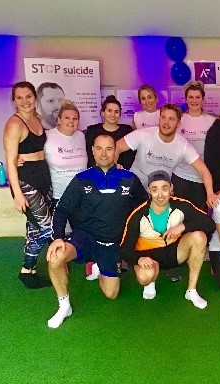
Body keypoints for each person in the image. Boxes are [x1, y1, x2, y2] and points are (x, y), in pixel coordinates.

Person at [46, 135, 148, 328]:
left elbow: (143, 206)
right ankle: (64, 305)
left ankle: (98, 266)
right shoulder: (82, 179)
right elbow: (61, 209)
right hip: (85, 237)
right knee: (55, 257)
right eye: (99, 148)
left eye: (109, 149)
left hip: (111, 244)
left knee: (111, 294)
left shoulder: (128, 178)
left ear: (115, 152)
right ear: (92, 150)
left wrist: (136, 234)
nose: (103, 153)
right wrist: (58, 238)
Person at [119, 170, 215, 307]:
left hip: (175, 253)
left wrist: (182, 227)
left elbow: (209, 223)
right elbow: (124, 249)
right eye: (155, 189)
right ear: (149, 191)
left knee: (199, 237)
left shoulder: (181, 205)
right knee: (144, 277)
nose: (160, 195)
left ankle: (191, 290)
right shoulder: (138, 215)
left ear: (171, 189)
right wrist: (138, 259)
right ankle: (151, 282)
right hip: (149, 259)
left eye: (164, 189)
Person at [116, 103, 219, 209]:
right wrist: (112, 169)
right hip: (135, 187)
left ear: (178, 124)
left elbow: (204, 171)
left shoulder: (182, 145)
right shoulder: (143, 134)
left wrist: (210, 194)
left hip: (159, 194)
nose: (166, 122)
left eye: (171, 119)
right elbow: (116, 147)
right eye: (163, 117)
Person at [3, 81, 53, 289]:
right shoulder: (14, 124)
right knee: (46, 227)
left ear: (35, 98)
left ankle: (30, 271)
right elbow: (10, 161)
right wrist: (17, 194)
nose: (25, 101)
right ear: (14, 101)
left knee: (34, 227)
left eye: (28, 96)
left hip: (42, 176)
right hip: (25, 182)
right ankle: (26, 268)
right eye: (19, 97)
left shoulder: (37, 119)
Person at [171, 81, 216, 210]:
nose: (194, 100)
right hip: (180, 176)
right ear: (186, 99)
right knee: (178, 215)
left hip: (202, 178)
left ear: (203, 99)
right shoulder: (178, 120)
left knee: (200, 216)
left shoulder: (212, 121)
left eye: (198, 97)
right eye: (191, 97)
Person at [44, 100, 87, 205]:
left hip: (81, 196)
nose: (71, 121)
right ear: (59, 120)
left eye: (75, 118)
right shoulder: (46, 136)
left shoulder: (81, 136)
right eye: (67, 118)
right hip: (59, 197)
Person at [85, 95, 135, 170]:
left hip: (120, 173)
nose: (113, 115)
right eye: (109, 111)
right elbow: (90, 156)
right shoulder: (92, 131)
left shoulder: (127, 131)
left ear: (120, 114)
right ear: (103, 113)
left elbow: (130, 157)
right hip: (96, 173)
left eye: (116, 112)